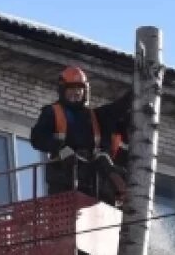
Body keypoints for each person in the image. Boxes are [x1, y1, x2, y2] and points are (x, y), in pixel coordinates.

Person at [29, 66, 125, 202]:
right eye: (71, 90)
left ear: (85, 92)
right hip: (63, 177)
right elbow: (37, 138)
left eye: (78, 91)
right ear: (63, 91)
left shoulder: (93, 117)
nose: (75, 94)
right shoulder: (52, 112)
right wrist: (60, 149)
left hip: (90, 180)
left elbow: (117, 109)